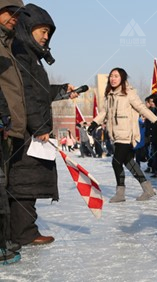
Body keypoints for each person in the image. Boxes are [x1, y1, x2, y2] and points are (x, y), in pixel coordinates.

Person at [7, 3, 80, 247]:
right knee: (25, 181)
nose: (46, 36)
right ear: (29, 28)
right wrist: (40, 127)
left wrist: (60, 91)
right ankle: (24, 232)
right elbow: (27, 94)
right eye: (43, 30)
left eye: (49, 32)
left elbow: (38, 91)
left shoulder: (30, 56)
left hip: (28, 128)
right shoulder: (21, 53)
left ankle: (16, 230)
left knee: (27, 179)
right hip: (27, 130)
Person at [89, 67, 157, 202]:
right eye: (111, 76)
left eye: (116, 76)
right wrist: (94, 123)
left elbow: (141, 108)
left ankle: (120, 193)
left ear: (122, 78)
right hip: (115, 135)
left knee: (116, 162)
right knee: (128, 162)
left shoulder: (129, 93)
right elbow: (104, 112)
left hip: (127, 134)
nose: (113, 78)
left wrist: (156, 120)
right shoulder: (110, 95)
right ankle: (148, 189)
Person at [0, 0, 26, 266]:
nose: (15, 18)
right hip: (2, 125)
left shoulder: (9, 45)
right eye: (10, 12)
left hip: (8, 128)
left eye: (19, 14)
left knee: (4, 184)